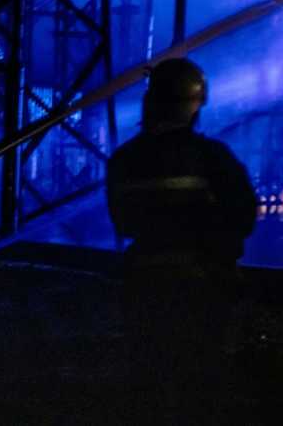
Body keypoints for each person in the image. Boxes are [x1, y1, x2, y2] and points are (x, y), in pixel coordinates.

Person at [106, 57, 257, 422]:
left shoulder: (124, 159)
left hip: (144, 281)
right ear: (194, 105)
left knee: (148, 380)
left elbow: (124, 223)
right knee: (203, 381)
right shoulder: (212, 156)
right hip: (203, 284)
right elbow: (244, 214)